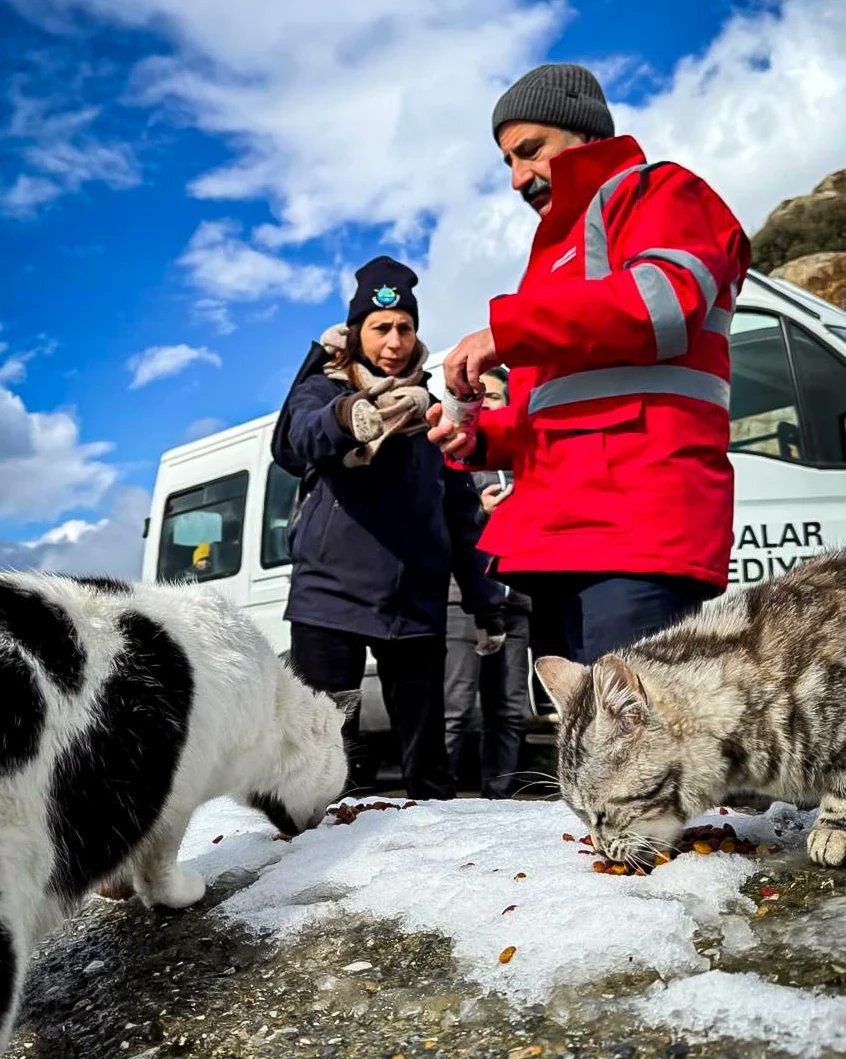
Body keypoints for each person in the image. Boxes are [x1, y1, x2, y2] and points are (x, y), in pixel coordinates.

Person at [427, 63, 751, 665]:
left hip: (637, 527)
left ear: (586, 134)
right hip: (562, 533)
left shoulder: (661, 191)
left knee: (640, 750)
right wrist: (478, 440)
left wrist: (507, 331)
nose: (518, 178)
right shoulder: (556, 252)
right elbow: (552, 410)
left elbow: (665, 301)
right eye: (508, 163)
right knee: (587, 746)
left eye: (531, 151)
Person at [271, 256, 505, 800]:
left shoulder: (435, 408)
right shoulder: (324, 389)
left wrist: (484, 601)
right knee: (327, 757)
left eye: (404, 326)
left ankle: (438, 871)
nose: (394, 340)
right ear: (356, 333)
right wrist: (345, 415)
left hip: (414, 604)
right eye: (380, 328)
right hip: (329, 599)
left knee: (428, 767)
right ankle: (317, 873)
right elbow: (294, 439)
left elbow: (462, 514)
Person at [444, 367, 532, 799]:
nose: (489, 403)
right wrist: (479, 510)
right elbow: (447, 527)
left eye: (496, 397)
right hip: (464, 604)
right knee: (456, 711)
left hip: (515, 603)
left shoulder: (523, 463)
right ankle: (434, 806)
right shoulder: (458, 460)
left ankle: (501, 804)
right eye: (483, 397)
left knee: (509, 712)